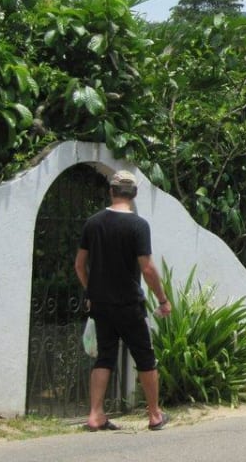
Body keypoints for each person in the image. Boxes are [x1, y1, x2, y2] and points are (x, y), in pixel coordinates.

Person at [74, 169, 172, 432]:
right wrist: (162, 299)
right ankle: (154, 415)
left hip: (101, 306)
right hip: (129, 304)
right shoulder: (138, 226)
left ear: (111, 191)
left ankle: (95, 415)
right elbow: (148, 269)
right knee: (145, 358)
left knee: (104, 356)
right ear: (134, 194)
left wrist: (91, 290)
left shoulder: (93, 223)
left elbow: (80, 265)